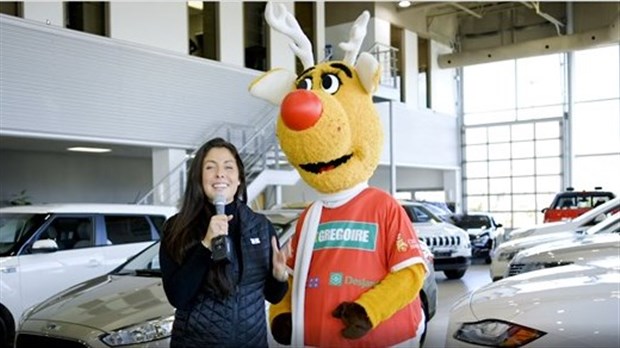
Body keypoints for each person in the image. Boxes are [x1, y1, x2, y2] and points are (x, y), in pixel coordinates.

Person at [160, 137, 290, 347]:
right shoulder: (177, 228)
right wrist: (206, 244)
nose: (220, 173)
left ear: (239, 178)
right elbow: (178, 297)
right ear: (199, 178)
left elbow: (273, 296)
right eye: (210, 167)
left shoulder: (261, 226)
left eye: (228, 167)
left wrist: (279, 276)